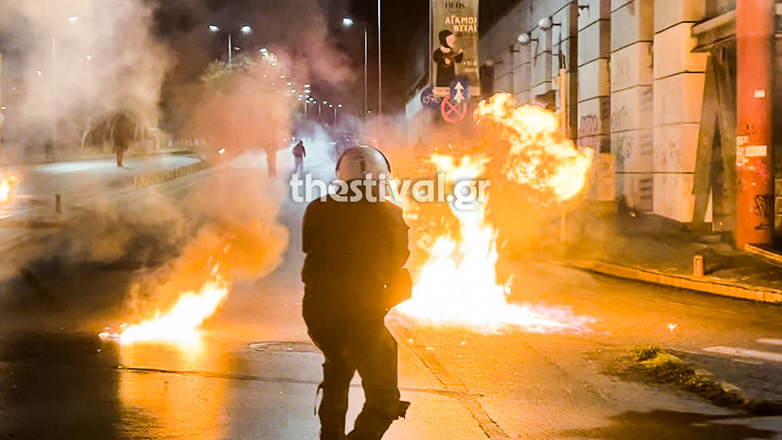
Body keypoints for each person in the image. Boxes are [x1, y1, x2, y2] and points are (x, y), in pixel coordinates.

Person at [302, 146, 412, 440]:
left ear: (341, 175)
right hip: (363, 317)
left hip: (320, 314)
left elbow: (312, 251)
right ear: (381, 178)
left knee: (337, 377)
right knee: (385, 399)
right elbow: (397, 260)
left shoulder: (317, 207)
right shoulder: (390, 212)